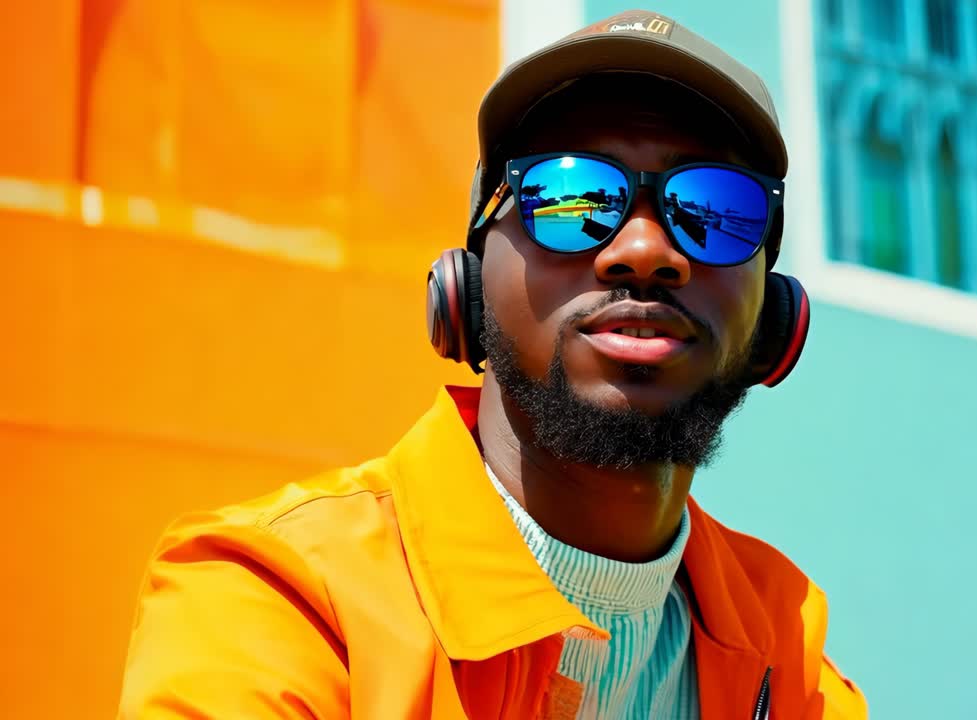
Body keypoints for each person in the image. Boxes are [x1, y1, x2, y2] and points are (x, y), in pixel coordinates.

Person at [118, 9, 867, 719]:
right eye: (571, 195)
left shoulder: (789, 655)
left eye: (716, 206)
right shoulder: (278, 597)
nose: (644, 250)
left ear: (771, 314)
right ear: (469, 285)